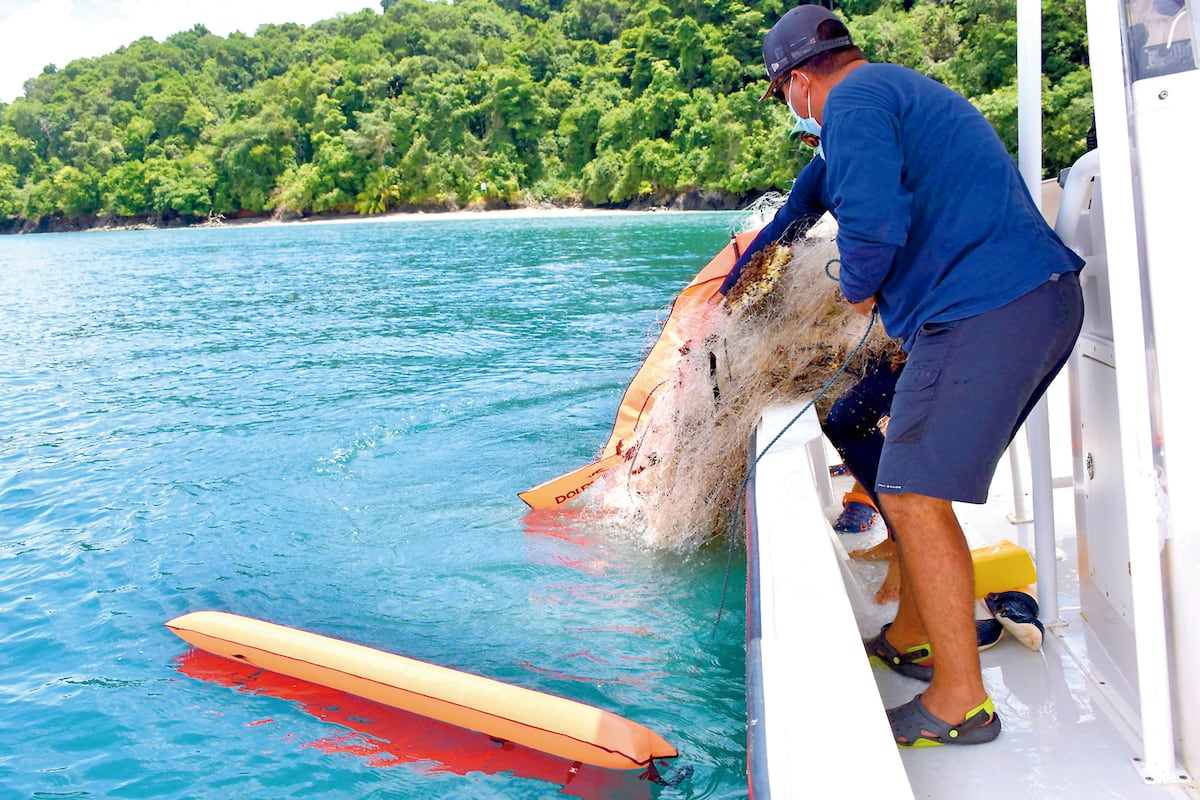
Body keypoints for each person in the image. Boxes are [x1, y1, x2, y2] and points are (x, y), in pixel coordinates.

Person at [720, 4, 1085, 748]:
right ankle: (918, 632)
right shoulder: (878, 96)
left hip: (989, 311)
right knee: (858, 417)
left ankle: (960, 705)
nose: (792, 109)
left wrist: (856, 287)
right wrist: (746, 271)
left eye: (783, 95)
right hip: (1018, 305)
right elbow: (806, 199)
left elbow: (875, 226)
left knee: (914, 492)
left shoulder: (853, 103)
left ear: (795, 83)